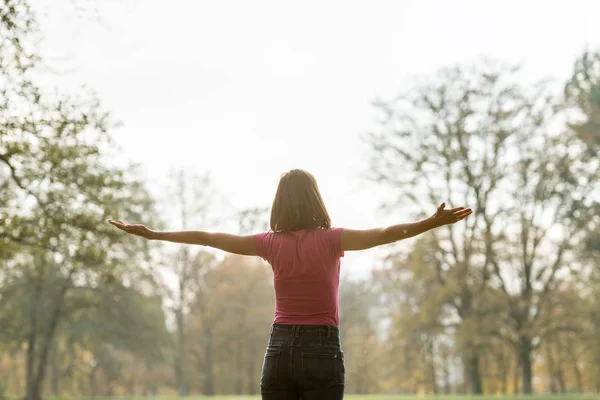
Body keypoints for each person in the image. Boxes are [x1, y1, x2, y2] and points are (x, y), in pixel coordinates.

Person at [108, 169, 472, 399]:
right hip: (321, 350)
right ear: (316, 198)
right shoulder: (332, 240)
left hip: (278, 350)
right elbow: (384, 235)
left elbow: (209, 237)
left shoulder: (269, 243)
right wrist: (429, 222)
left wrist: (155, 235)